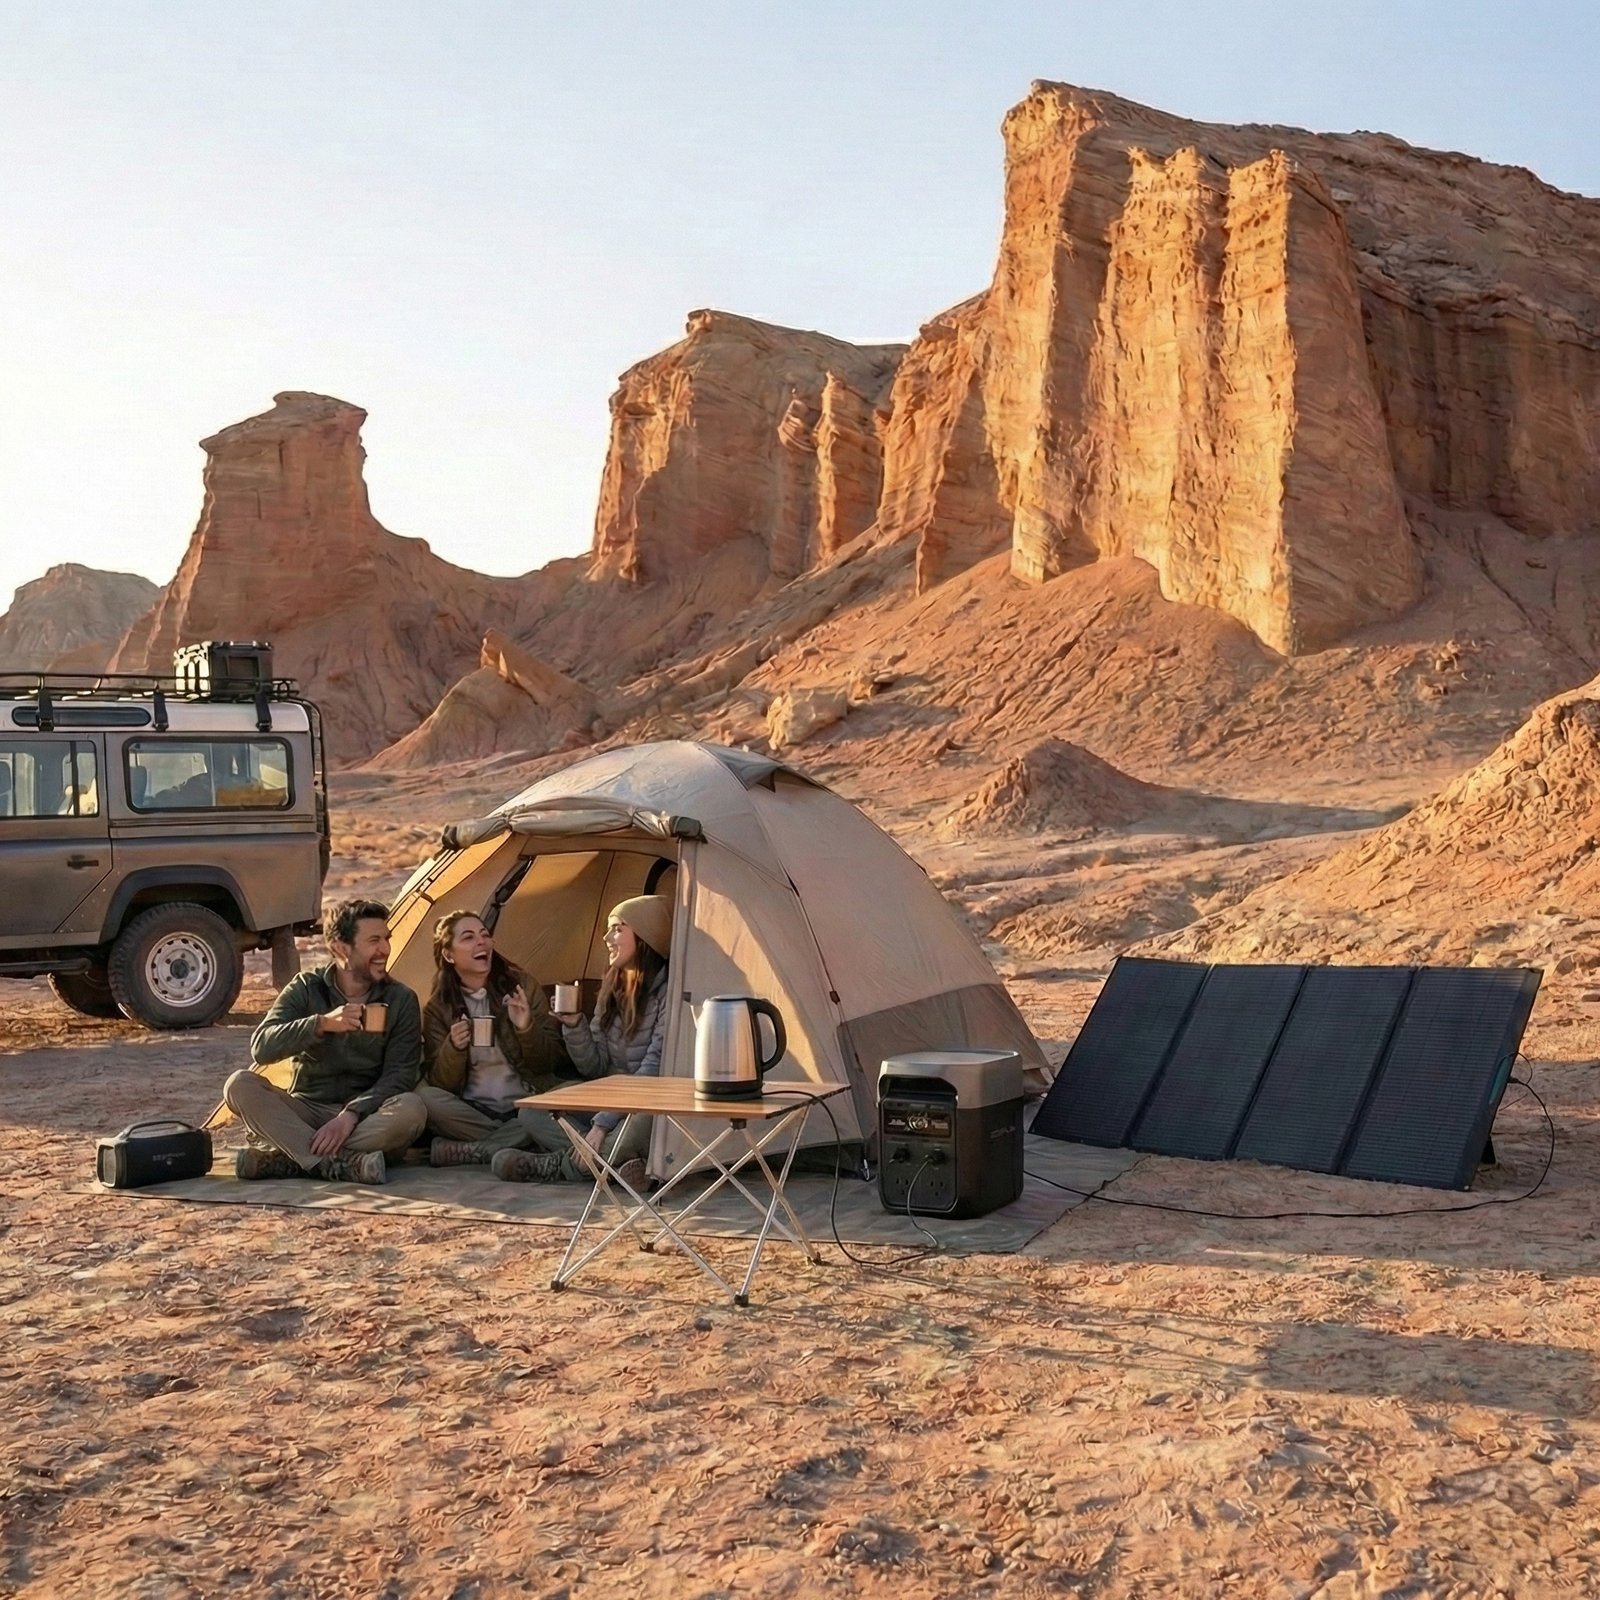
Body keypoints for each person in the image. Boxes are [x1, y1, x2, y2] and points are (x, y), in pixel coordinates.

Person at [223, 897, 426, 1184]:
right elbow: (262, 1047)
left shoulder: (400, 998)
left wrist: (350, 1115)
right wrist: (321, 1024)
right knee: (239, 1085)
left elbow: (400, 1075)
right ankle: (333, 1162)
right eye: (374, 941)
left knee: (412, 1110)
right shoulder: (307, 987)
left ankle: (291, 1158)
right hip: (307, 1110)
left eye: (386, 939)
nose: (385, 949)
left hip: (364, 1117)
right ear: (341, 949)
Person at [491, 893, 673, 1190]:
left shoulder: (670, 995)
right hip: (607, 1096)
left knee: (646, 1121)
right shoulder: (611, 988)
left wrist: (601, 1125)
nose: (606, 938)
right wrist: (575, 1026)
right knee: (535, 1109)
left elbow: (652, 1071)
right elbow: (595, 1068)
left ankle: (558, 1166)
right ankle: (619, 1165)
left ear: (646, 936)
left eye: (617, 928)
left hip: (645, 1100)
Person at [417, 909, 570, 1165]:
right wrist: (453, 1048)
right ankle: (521, 1141)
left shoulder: (520, 986)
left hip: (528, 1102)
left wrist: (526, 1028)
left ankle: (480, 1149)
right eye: (468, 937)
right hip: (474, 1112)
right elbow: (443, 1084)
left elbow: (549, 1062)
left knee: (574, 1093)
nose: (481, 942)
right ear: (448, 954)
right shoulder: (438, 1007)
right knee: (424, 1098)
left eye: (485, 935)